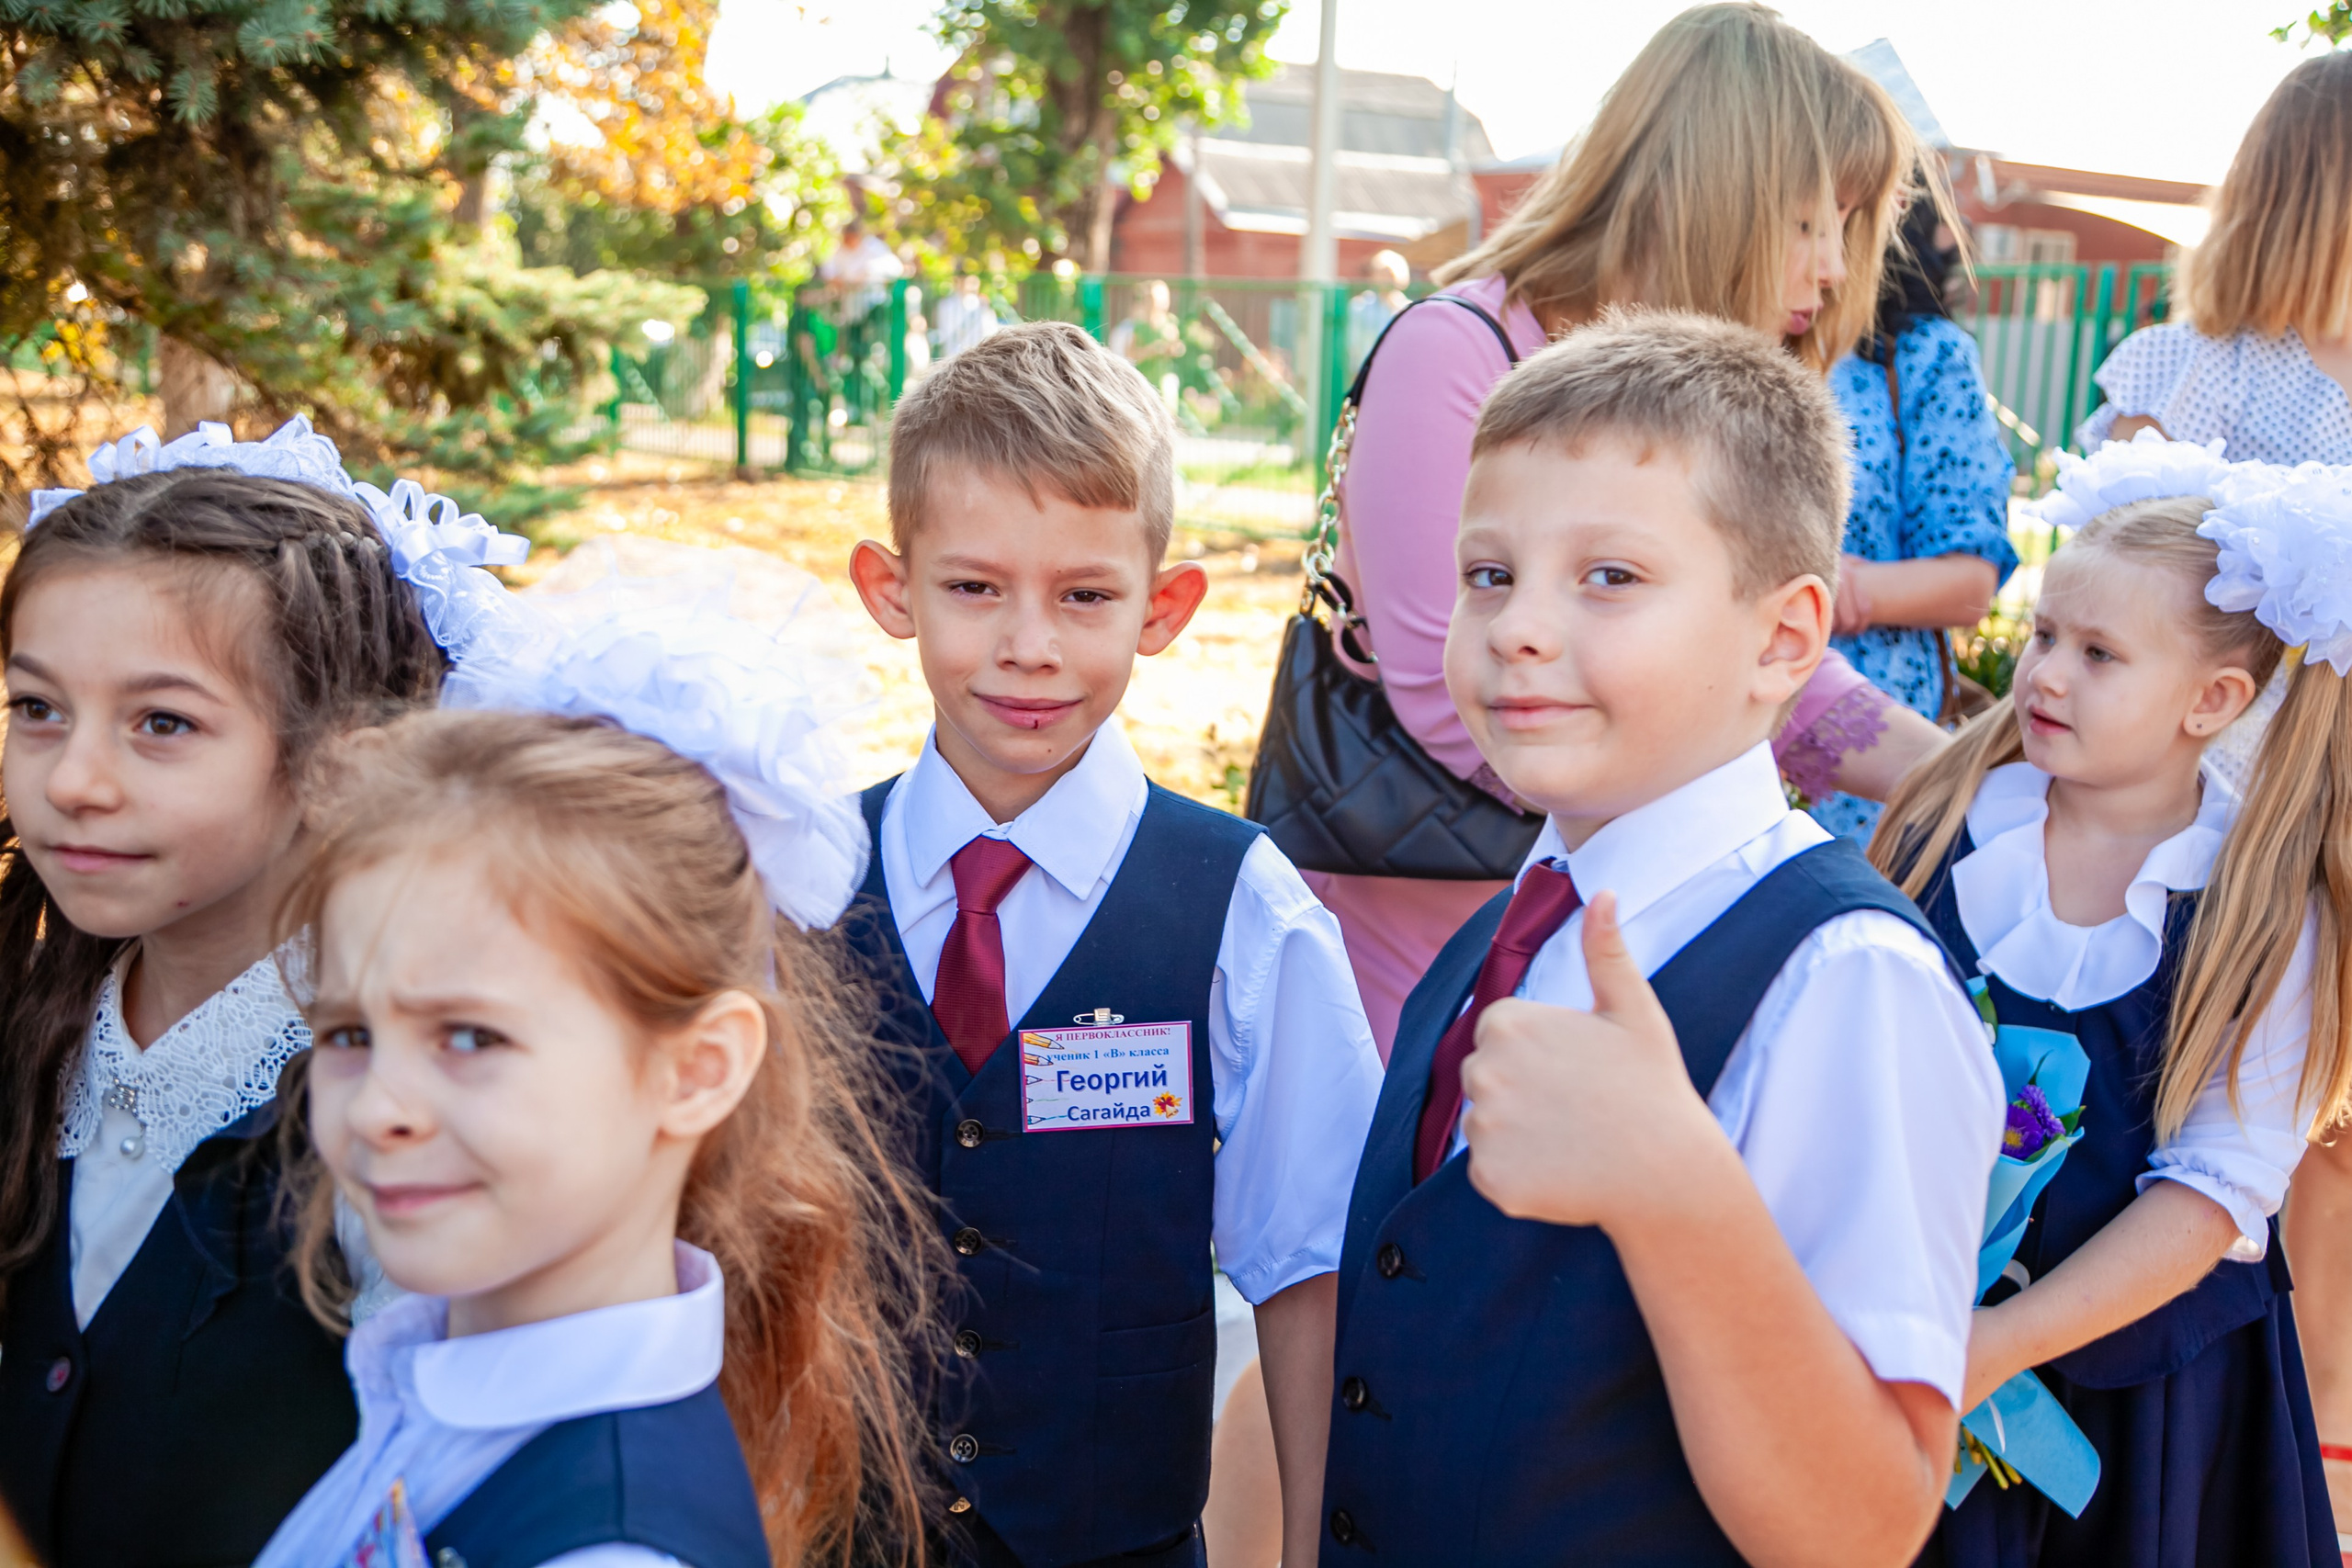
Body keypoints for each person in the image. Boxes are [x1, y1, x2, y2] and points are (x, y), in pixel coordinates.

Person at [1321, 310, 2000, 1565]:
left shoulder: (1846, 981)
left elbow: (1867, 1522)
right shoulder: (1504, 933)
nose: (1518, 626)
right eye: (1488, 574)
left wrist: (1673, 1188)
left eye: (1610, 577)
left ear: (1783, 639)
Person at [254, 528, 939, 1567]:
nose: (379, 1104)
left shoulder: (606, 1544)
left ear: (697, 1069)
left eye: (470, 1036)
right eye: (349, 1032)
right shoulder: (434, 1391)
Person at [1307, 2, 1951, 1056]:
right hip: (1431, 922)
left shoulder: (1709, 400)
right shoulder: (1453, 348)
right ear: (1714, 192)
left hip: (1634, 909)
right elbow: (1437, 684)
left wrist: (1961, 773)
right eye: (1809, 221)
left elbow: (1756, 643)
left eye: (1847, 227)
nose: (1835, 269)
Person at [842, 321, 1384, 1568]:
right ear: (891, 588)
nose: (1029, 645)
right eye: (974, 588)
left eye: (1084, 595)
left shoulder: (1241, 907)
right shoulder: (800, 882)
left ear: (1164, 606)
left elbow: (1312, 1265)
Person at [0, 419, 505, 1566]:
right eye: (37, 708)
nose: (72, 780)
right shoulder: (33, 1033)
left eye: (162, 723)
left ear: (343, 757)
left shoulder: (399, 1113)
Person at [1869, 435, 2347, 1567]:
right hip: (1901, 1338)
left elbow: (2213, 1193)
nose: (2044, 675)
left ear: (2212, 701)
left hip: (2138, 1401)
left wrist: (1997, 1344)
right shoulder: (1946, 828)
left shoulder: (2258, 913)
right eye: (2043, 636)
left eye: (2097, 655)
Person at [2075, 51, 2352, 1524]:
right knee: (2222, 1109)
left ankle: (2306, 1448)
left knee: (2313, 1123)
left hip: (2317, 802)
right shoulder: (2191, 370)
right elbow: (2109, 567)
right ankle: (2221, 1424)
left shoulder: (2189, 368)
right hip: (2216, 810)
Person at [1819, 194, 2018, 839]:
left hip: (1872, 744)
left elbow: (1969, 583)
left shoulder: (1923, 356)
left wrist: (1823, 591)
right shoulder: (1717, 333)